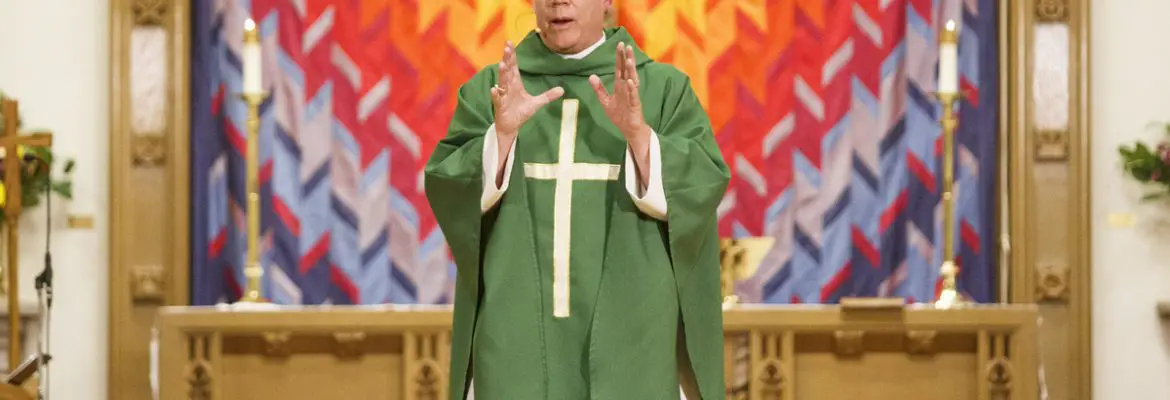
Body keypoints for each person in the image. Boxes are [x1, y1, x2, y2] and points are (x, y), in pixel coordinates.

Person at [424, 0, 729, 398]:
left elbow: (700, 187)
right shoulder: (495, 90)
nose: (558, 1)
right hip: (516, 341)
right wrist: (499, 138)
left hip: (633, 343)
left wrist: (640, 137)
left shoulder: (660, 90)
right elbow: (449, 187)